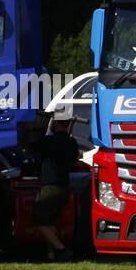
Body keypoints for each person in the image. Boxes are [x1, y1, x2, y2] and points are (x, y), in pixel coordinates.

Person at [30, 106, 82, 261]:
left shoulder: (49, 141)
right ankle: (52, 255)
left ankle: (63, 250)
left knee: (38, 220)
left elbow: (31, 146)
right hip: (64, 186)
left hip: (50, 186)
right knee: (50, 222)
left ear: (56, 123)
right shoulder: (72, 142)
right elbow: (75, 161)